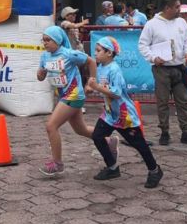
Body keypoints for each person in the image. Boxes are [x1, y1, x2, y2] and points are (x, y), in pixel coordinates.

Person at [37, 26, 116, 176]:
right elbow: (40, 77)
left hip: (74, 95)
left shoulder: (69, 54)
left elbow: (91, 62)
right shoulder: (45, 56)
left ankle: (57, 164)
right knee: (81, 130)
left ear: (58, 40)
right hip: (63, 96)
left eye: (49, 40)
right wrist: (40, 73)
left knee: (51, 126)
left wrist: (91, 82)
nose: (45, 43)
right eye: (44, 40)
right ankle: (109, 141)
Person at [88, 36, 163, 188]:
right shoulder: (101, 67)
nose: (95, 53)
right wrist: (91, 88)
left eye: (98, 50)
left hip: (124, 115)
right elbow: (103, 87)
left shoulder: (115, 69)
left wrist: (96, 88)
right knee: (97, 136)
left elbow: (115, 93)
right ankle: (112, 167)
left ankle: (154, 170)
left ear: (109, 53)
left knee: (139, 144)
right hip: (110, 113)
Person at [138, 0, 187, 147]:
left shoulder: (181, 22)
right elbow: (142, 45)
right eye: (177, 7)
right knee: (162, 102)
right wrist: (154, 58)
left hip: (180, 68)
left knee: (183, 101)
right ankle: (164, 132)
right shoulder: (152, 24)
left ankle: (186, 132)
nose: (179, 10)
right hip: (161, 69)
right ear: (167, 8)